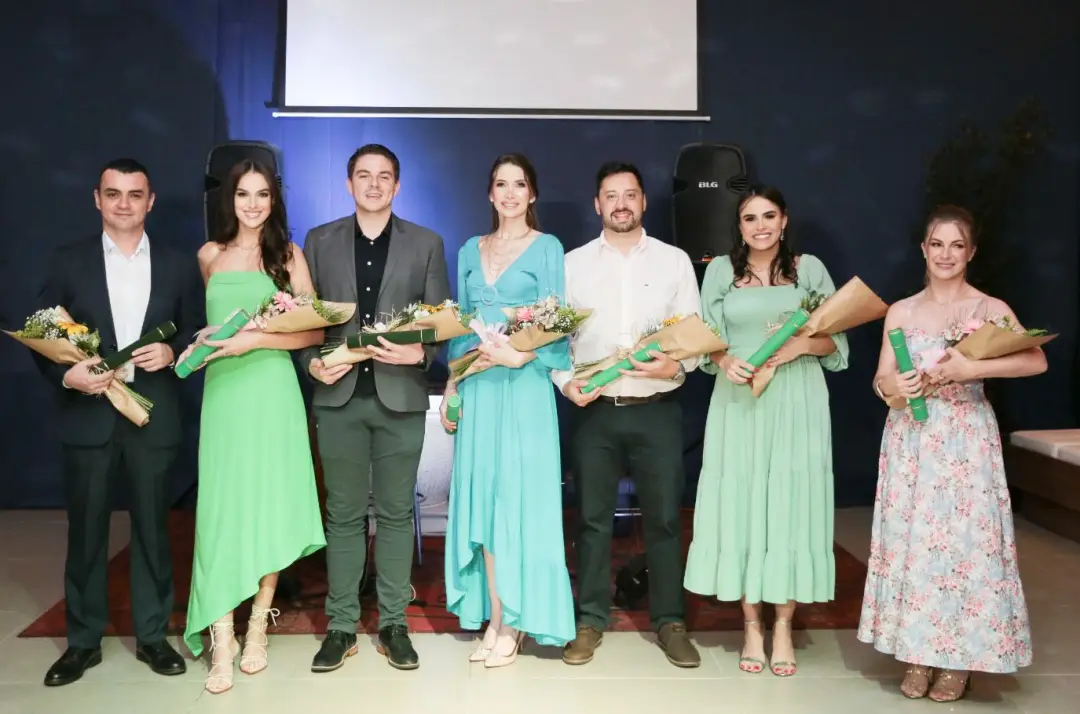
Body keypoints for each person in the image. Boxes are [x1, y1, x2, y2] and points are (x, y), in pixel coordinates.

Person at [858, 205, 1041, 702]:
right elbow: (881, 380)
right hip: (912, 440)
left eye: (956, 245)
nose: (946, 254)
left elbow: (1034, 358)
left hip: (965, 438)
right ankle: (917, 654)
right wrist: (893, 386)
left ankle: (959, 659)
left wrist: (970, 370)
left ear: (971, 252)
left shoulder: (989, 307)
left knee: (965, 549)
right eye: (937, 244)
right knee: (916, 546)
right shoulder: (902, 310)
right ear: (923, 249)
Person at [32, 158, 203, 686]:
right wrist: (67, 376)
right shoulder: (68, 261)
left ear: (151, 201)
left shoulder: (178, 264)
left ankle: (152, 636)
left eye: (134, 194)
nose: (123, 203)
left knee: (153, 530)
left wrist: (172, 352)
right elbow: (41, 333)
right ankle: (82, 643)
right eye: (113, 193)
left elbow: (196, 330)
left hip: (154, 415)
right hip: (88, 416)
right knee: (86, 534)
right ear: (97, 199)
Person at [684, 185, 848, 677]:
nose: (760, 226)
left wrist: (802, 346)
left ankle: (783, 627)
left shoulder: (809, 269)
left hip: (798, 399)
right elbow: (707, 339)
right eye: (750, 218)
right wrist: (723, 359)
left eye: (769, 216)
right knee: (743, 504)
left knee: (790, 507)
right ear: (739, 226)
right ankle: (752, 626)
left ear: (784, 221)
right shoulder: (720, 271)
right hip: (739, 399)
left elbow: (835, 341)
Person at [176, 159, 327, 694]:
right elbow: (214, 325)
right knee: (221, 511)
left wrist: (255, 340)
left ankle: (258, 627)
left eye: (263, 194)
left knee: (269, 504)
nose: (253, 204)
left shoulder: (288, 256)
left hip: (272, 392)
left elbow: (314, 332)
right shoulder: (209, 256)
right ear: (231, 200)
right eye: (244, 194)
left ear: (274, 201)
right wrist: (206, 337)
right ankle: (222, 637)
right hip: (224, 397)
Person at [300, 144, 451, 672]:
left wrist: (422, 353)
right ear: (349, 184)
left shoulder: (426, 243)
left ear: (397, 185)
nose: (373, 184)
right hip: (338, 396)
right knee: (342, 516)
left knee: (393, 513)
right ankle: (341, 626)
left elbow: (439, 322)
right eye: (363, 175)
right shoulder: (318, 241)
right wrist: (311, 364)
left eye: (384, 176)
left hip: (400, 396)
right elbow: (303, 322)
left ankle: (393, 625)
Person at [551, 161, 702, 668]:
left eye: (630, 194)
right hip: (595, 412)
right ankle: (590, 620)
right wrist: (564, 382)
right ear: (597, 204)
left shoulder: (674, 261)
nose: (621, 204)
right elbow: (555, 341)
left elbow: (695, 336)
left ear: (643, 201)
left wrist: (675, 366)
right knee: (592, 520)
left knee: (664, 520)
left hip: (657, 409)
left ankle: (670, 621)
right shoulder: (572, 264)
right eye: (611, 195)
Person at [438, 153, 575, 668]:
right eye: (502, 184)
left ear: (532, 193)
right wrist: (453, 384)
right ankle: (496, 616)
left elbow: (557, 322)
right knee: (486, 504)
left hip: (524, 388)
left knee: (519, 503)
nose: (511, 193)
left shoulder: (548, 247)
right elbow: (462, 325)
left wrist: (521, 355)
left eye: (520, 184)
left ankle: (515, 621)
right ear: (490, 193)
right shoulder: (469, 250)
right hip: (479, 388)